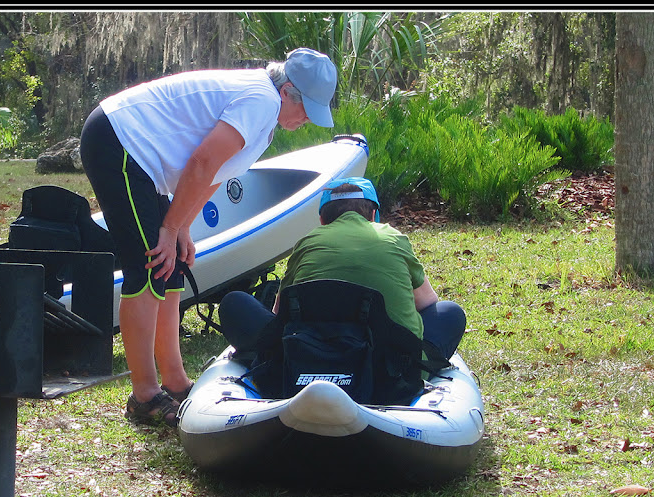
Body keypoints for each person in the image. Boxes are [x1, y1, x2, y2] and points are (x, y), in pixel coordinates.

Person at [79, 48, 338, 427]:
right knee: (149, 267)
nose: (306, 121)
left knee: (173, 268)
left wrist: (183, 227)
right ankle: (145, 396)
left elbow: (214, 173)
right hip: (119, 140)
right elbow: (201, 162)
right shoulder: (261, 101)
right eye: (307, 110)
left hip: (142, 157)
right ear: (288, 92)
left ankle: (176, 382)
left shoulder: (266, 119)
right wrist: (167, 230)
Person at [219, 177, 467, 374]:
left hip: (304, 362)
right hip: (391, 373)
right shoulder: (393, 238)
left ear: (322, 220)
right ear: (373, 216)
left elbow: (278, 313)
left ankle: (263, 365)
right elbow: (427, 303)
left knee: (234, 303)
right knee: (450, 313)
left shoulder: (307, 242)